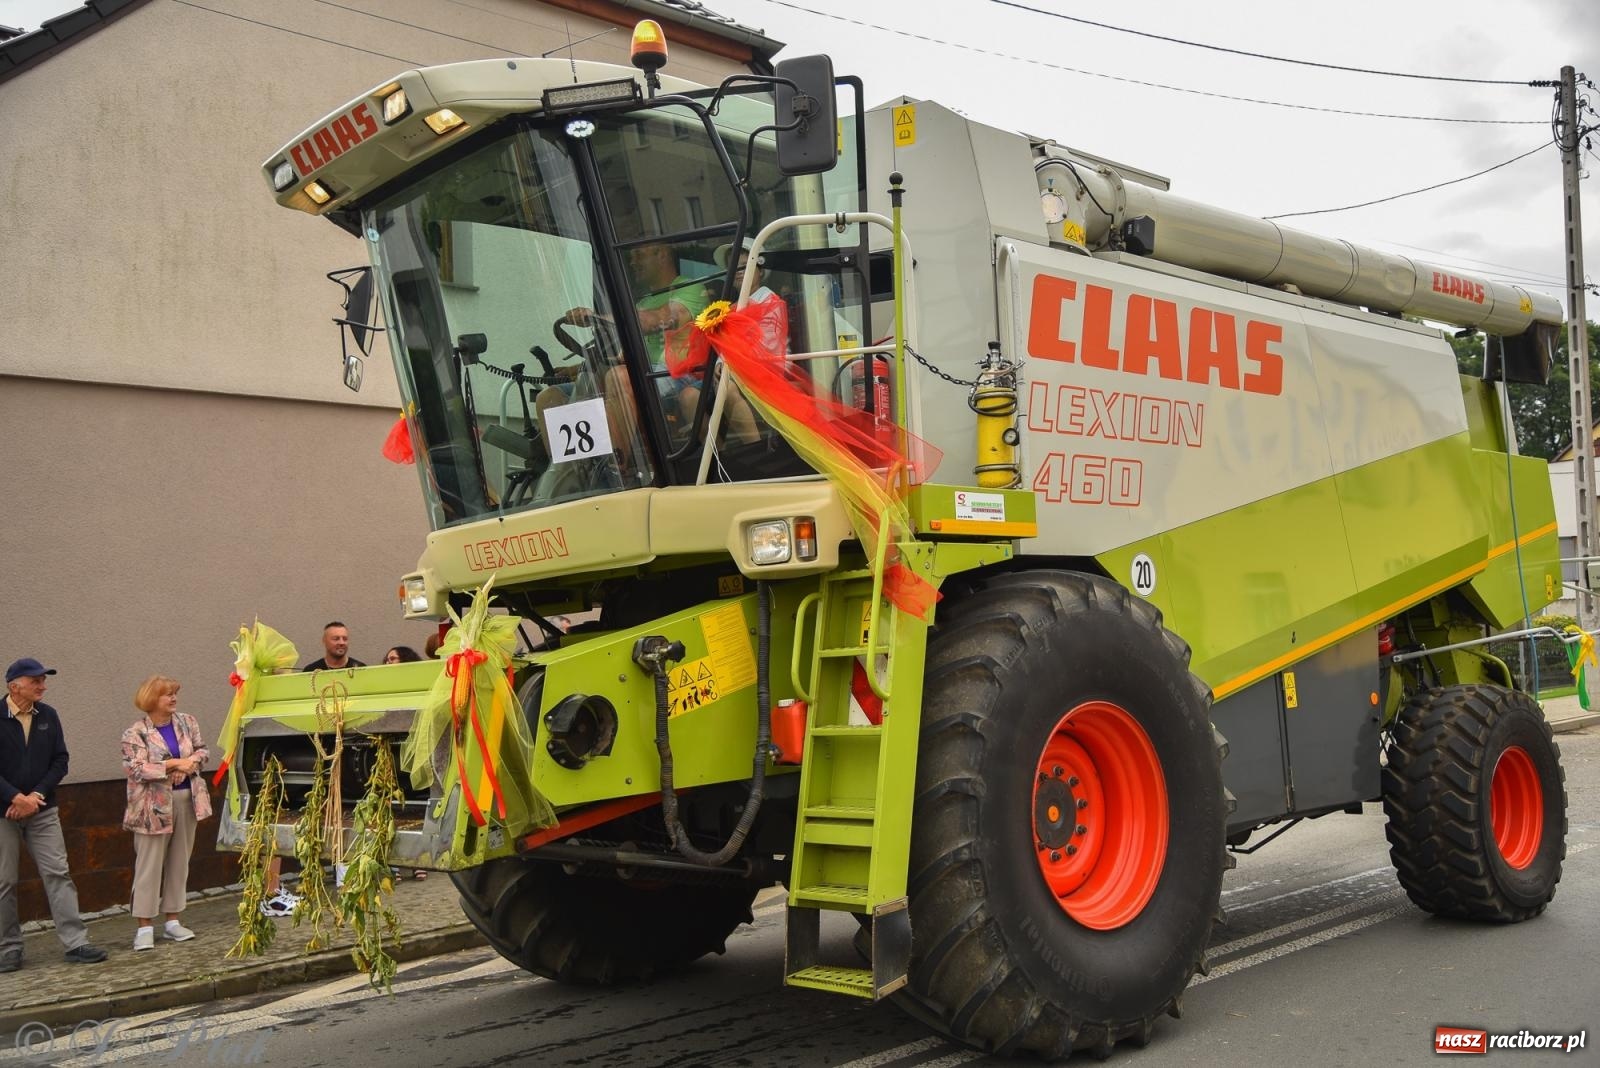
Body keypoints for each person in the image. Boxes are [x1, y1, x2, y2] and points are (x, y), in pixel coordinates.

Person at [0, 658, 108, 969]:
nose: (42, 686)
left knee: (58, 873)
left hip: (42, 809)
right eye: (35, 680)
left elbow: (61, 761)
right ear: (14, 686)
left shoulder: (48, 715)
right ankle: (8, 949)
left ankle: (76, 943)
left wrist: (35, 796)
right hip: (3, 812)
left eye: (43, 680)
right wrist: (15, 797)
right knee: (4, 881)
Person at [121, 675, 209, 950]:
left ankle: (173, 921)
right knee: (148, 866)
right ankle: (144, 927)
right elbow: (136, 769)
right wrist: (173, 764)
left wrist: (189, 763)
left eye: (174, 693)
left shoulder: (188, 722)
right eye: (166, 694)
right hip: (151, 808)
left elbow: (202, 752)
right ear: (151, 699)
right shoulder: (135, 732)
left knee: (179, 862)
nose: (173, 698)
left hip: (187, 800)